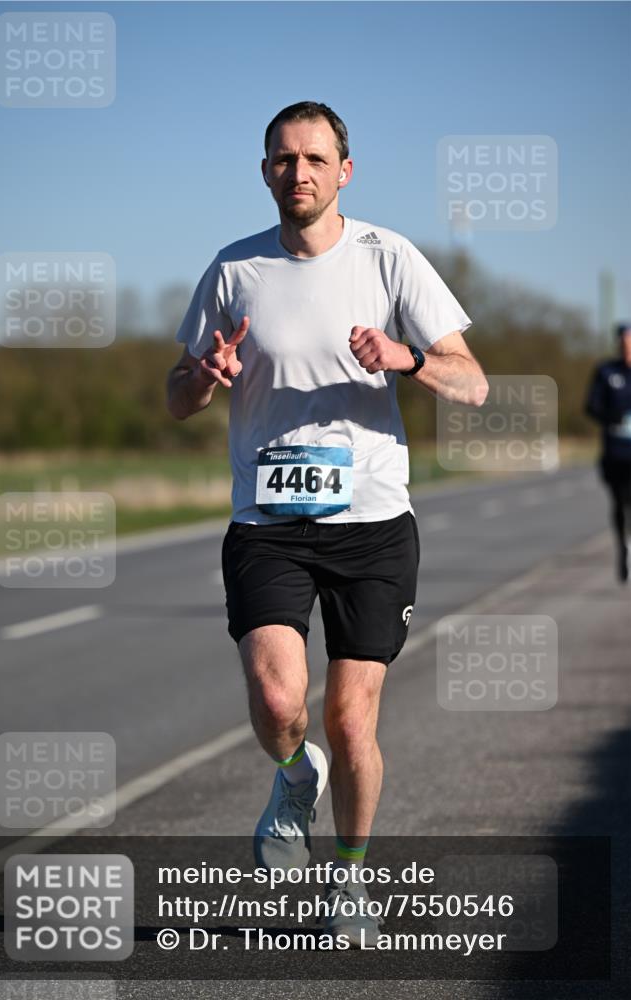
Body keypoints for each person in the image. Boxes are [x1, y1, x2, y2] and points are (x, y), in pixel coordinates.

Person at [167, 101, 488, 946]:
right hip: (266, 522)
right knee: (280, 701)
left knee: (351, 721)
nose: (296, 173)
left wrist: (406, 358)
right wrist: (204, 375)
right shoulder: (234, 270)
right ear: (265, 170)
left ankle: (347, 879)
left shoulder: (388, 258)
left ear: (344, 170)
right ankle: (290, 770)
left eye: (313, 159)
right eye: (281, 160)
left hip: (372, 523)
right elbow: (176, 395)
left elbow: (473, 380)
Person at [585, 322, 631, 583]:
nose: (628, 349)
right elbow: (591, 406)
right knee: (619, 504)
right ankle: (622, 547)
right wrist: (612, 416)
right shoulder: (605, 372)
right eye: (624, 344)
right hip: (615, 452)